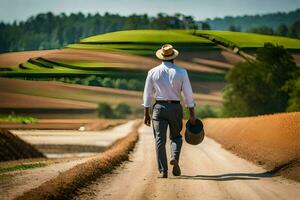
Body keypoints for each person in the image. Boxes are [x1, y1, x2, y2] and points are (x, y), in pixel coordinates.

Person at [142, 44, 196, 178]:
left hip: (159, 108)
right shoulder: (182, 72)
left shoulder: (152, 72)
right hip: (175, 108)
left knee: (159, 140)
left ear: (161, 56)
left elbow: (147, 94)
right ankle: (174, 158)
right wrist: (192, 115)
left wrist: (146, 114)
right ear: (173, 57)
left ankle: (163, 171)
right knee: (176, 136)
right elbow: (188, 95)